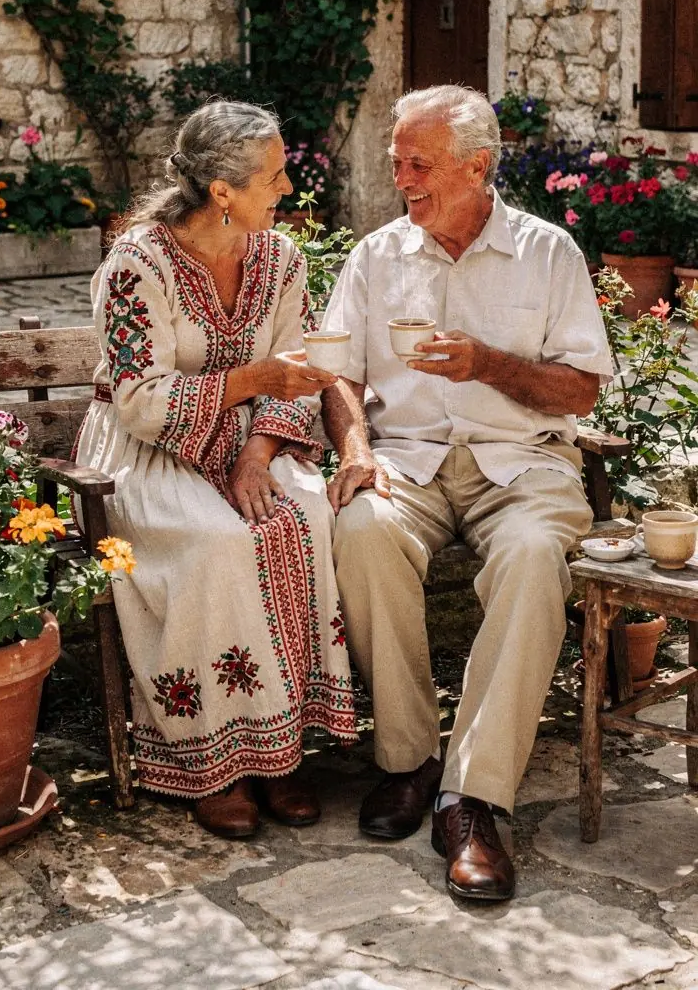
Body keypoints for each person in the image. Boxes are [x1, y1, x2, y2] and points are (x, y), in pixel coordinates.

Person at [320, 84, 613, 902]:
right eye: (396, 163)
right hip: (408, 461)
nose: (402, 180)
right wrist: (353, 447)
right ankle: (408, 760)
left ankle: (473, 799)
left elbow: (582, 391)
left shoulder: (548, 254)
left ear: (478, 167)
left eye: (421, 164)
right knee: (362, 527)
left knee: (529, 556)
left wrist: (491, 364)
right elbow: (336, 372)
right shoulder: (376, 255)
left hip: (521, 465)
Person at [76, 100, 357, 839]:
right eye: (274, 176)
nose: (288, 189)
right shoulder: (139, 264)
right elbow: (137, 400)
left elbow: (299, 374)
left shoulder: (283, 259)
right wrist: (253, 382)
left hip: (251, 439)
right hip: (144, 452)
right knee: (217, 541)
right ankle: (214, 762)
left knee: (304, 517)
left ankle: (280, 750)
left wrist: (258, 453)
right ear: (223, 192)